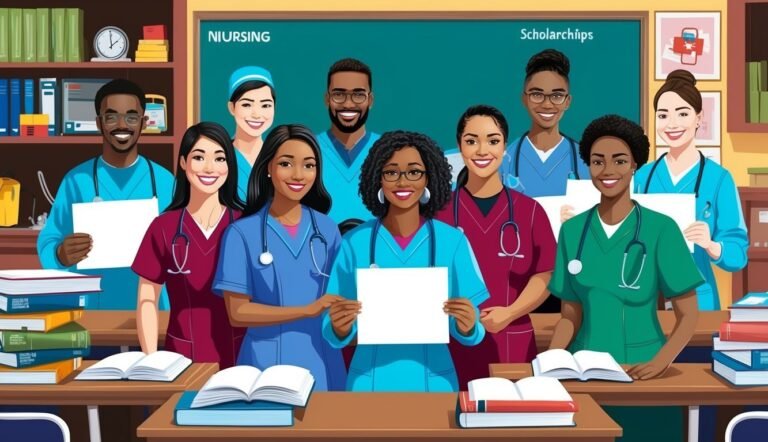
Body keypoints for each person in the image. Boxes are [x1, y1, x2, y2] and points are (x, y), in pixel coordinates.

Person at [549, 114, 702, 442]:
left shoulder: (661, 230)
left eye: (619, 161)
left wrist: (661, 362)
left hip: (642, 372)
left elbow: (689, 315)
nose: (608, 171)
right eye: (597, 161)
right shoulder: (573, 232)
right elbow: (569, 316)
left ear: (634, 165)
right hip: (584, 374)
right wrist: (551, 362)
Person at [322, 130, 489, 392]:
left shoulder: (451, 242)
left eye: (414, 172)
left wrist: (468, 326)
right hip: (369, 383)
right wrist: (339, 327)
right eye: (391, 172)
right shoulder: (355, 243)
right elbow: (331, 330)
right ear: (378, 178)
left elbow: (473, 332)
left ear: (429, 179)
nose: (403, 182)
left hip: (434, 384)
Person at [213, 124, 346, 391]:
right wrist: (306, 310)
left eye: (309, 166)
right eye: (286, 164)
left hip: (322, 361)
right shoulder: (241, 234)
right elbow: (237, 312)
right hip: (264, 366)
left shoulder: (327, 230)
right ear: (268, 169)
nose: (299, 175)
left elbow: (341, 300)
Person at [435, 105, 556, 389]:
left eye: (492, 140)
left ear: (504, 148)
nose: (481, 150)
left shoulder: (530, 211)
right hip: (452, 342)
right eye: (471, 140)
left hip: (511, 341)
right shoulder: (439, 214)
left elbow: (545, 273)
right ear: (459, 147)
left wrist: (511, 312)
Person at [37, 79, 174, 309]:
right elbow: (48, 240)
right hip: (94, 311)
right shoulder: (76, 180)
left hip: (153, 310)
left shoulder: (164, 181)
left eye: (131, 117)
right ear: (99, 123)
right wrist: (60, 254)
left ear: (144, 122)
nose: (122, 125)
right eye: (111, 117)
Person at [133, 122, 245, 368]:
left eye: (219, 158)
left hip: (240, 357)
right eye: (199, 157)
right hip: (181, 357)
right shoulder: (163, 227)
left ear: (229, 166)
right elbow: (147, 300)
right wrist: (151, 361)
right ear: (183, 163)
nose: (209, 168)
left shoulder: (245, 225)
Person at [634, 69, 748, 310]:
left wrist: (711, 245)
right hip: (645, 298)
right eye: (663, 115)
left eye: (682, 113)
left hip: (698, 299)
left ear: (699, 118)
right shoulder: (643, 176)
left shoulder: (718, 179)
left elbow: (738, 255)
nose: (672, 124)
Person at [499, 49, 589, 198]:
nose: (547, 104)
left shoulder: (587, 162)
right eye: (537, 95)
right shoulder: (504, 162)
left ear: (567, 102)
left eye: (557, 95)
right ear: (524, 99)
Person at [316, 58, 381, 222]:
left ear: (370, 100)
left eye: (358, 95)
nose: (348, 103)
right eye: (339, 94)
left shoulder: (388, 152)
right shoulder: (308, 149)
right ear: (326, 99)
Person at [228, 66, 276, 202]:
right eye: (247, 105)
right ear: (232, 108)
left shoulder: (280, 156)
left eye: (265, 105)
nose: (256, 114)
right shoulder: (219, 157)